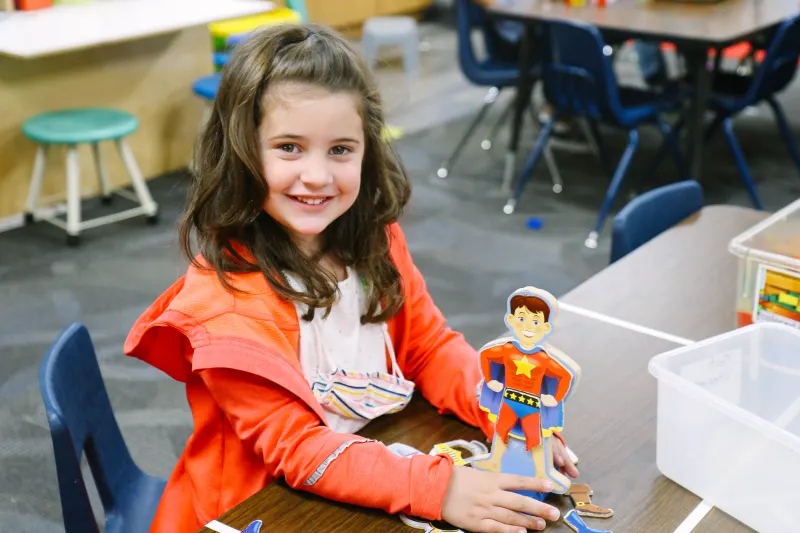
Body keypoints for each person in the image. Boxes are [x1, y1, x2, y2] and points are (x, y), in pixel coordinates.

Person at [124, 23, 577, 533]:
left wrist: (503, 412)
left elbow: (428, 348)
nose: (317, 175)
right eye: (289, 147)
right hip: (255, 509)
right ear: (242, 151)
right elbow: (298, 448)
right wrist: (439, 488)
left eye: (340, 149)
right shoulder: (225, 306)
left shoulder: (375, 240)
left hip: (366, 461)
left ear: (367, 149)